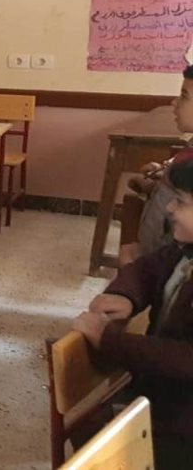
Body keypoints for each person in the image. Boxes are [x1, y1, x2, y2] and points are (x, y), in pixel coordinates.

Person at [72, 158, 193, 470]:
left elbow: (184, 358)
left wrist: (107, 338)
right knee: (89, 429)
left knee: (100, 444)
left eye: (181, 202)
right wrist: (125, 295)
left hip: (183, 427)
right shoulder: (183, 250)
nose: (170, 209)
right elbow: (148, 268)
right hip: (162, 398)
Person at [120, 64, 193, 266]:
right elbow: (178, 197)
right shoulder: (188, 150)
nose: (174, 102)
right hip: (154, 256)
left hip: (169, 265)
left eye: (184, 96)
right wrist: (155, 184)